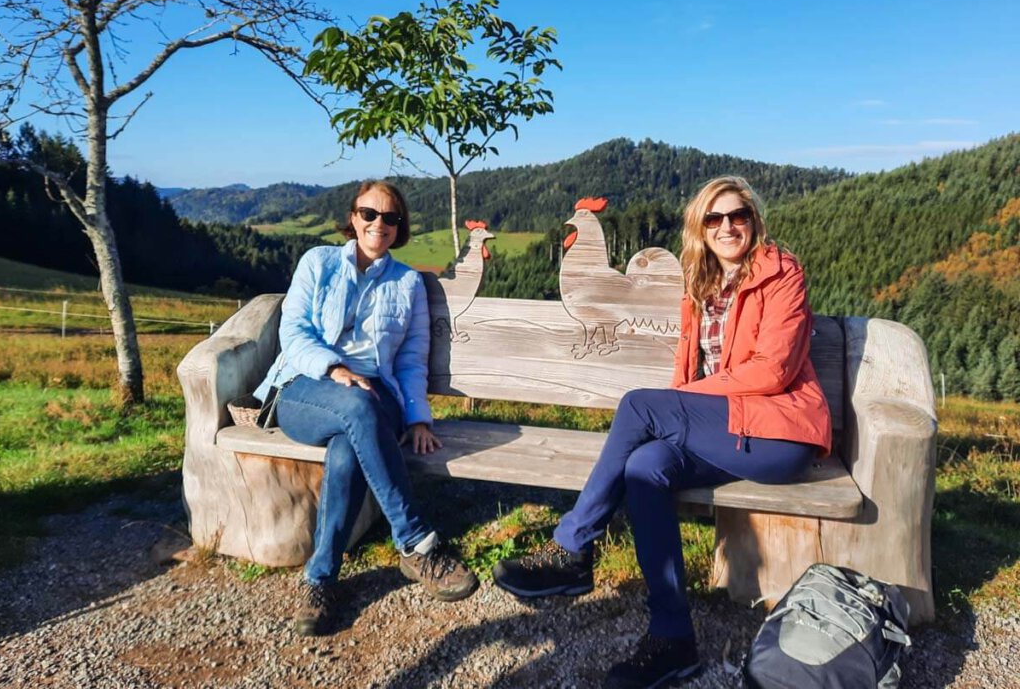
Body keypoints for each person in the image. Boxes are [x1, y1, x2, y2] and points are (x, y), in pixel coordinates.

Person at [492, 176, 832, 688]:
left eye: (737, 215)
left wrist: (673, 407)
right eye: (714, 219)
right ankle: (673, 638)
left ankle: (574, 547)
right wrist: (671, 411)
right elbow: (684, 373)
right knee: (644, 466)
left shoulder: (781, 273)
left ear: (754, 220)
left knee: (638, 405)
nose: (727, 227)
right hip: (723, 429)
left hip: (779, 435)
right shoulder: (700, 285)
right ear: (700, 228)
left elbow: (773, 371)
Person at [254, 180, 478, 637]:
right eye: (369, 214)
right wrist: (334, 369)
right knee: (357, 407)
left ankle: (321, 579)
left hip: (379, 396)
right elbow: (293, 332)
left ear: (400, 228)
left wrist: (417, 416)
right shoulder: (317, 263)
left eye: (390, 218)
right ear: (353, 217)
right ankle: (416, 541)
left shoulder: (408, 282)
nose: (379, 224)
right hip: (307, 387)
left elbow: (413, 358)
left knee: (348, 447)